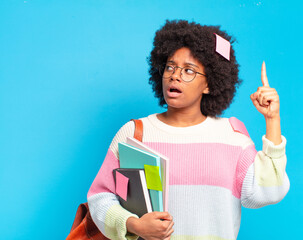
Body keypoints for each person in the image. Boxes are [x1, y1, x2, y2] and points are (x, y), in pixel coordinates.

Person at [87, 19, 290, 240]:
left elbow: (268, 192)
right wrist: (134, 225)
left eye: (188, 70)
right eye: (170, 67)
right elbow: (101, 198)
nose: (175, 75)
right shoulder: (134, 133)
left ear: (209, 84)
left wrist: (272, 120)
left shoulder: (232, 136)